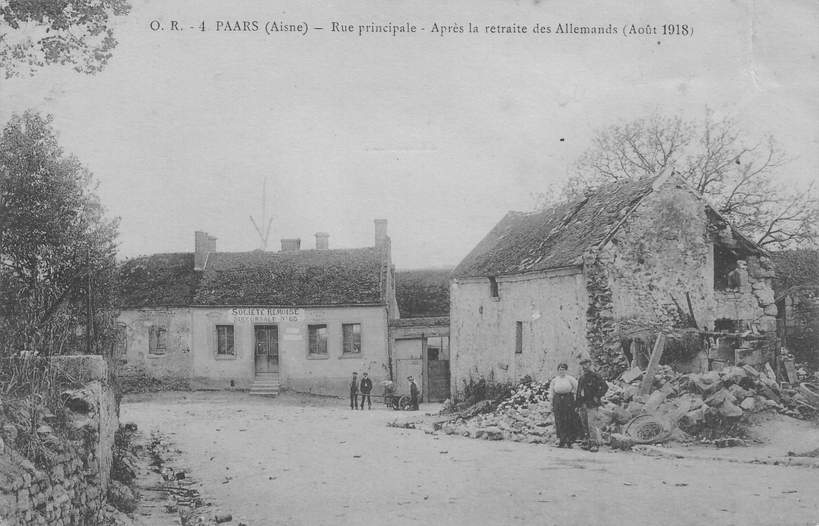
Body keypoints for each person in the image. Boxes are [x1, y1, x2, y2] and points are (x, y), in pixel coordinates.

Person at [575, 358, 608, 453]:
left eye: (586, 364)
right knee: (584, 424)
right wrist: (578, 405)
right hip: (583, 404)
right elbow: (578, 392)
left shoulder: (595, 376)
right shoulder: (582, 378)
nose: (584, 367)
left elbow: (605, 387)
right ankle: (587, 442)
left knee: (591, 424)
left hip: (592, 405)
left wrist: (598, 396)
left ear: (590, 364)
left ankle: (594, 443)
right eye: (582, 365)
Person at [549, 363, 578, 449]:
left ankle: (569, 440)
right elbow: (551, 392)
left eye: (563, 369)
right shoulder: (555, 380)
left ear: (566, 370)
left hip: (568, 399)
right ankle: (561, 440)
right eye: (560, 369)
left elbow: (577, 388)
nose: (561, 371)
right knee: (559, 419)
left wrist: (576, 399)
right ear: (558, 370)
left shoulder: (570, 379)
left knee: (569, 419)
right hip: (558, 400)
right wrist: (551, 403)